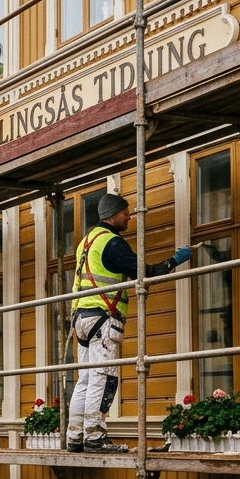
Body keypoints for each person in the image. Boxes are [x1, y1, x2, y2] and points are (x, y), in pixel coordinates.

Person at [67, 193, 191, 453]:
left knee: (85, 380)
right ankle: (95, 438)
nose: (129, 216)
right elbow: (145, 272)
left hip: (81, 318)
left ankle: (75, 437)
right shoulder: (113, 243)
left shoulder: (86, 242)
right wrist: (175, 261)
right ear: (113, 214)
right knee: (103, 378)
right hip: (103, 318)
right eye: (125, 212)